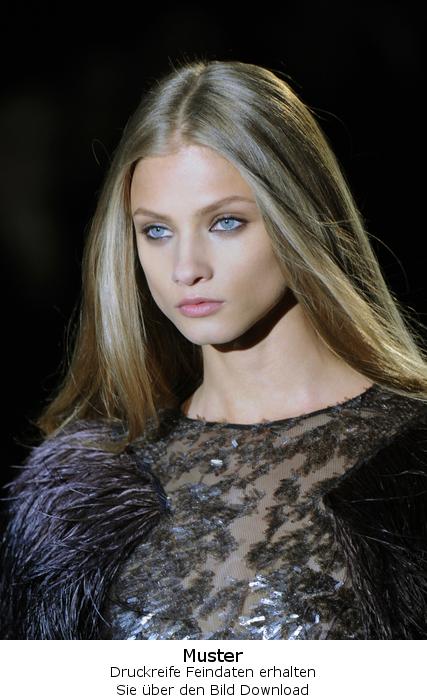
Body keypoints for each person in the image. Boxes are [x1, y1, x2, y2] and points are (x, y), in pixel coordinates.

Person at [1, 58, 427, 640]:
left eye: (225, 222)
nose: (185, 269)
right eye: (156, 230)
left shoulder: (412, 464)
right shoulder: (77, 497)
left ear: (298, 215)